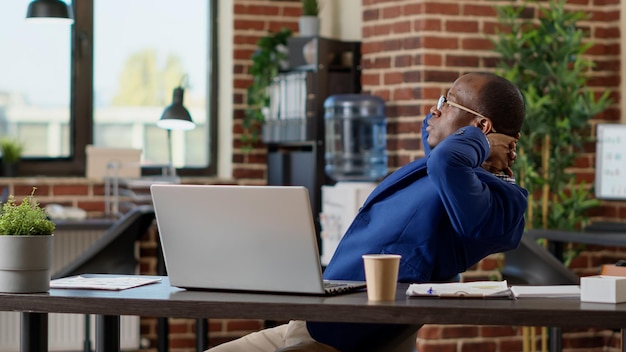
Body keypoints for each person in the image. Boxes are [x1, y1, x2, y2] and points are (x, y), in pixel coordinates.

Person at [208, 72, 529, 352]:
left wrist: (484, 141)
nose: (434, 109)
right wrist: (476, 132)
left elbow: (447, 159)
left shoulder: (501, 200)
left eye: (447, 101)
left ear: (480, 127)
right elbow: (434, 136)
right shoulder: (446, 170)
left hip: (340, 339)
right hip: (314, 320)